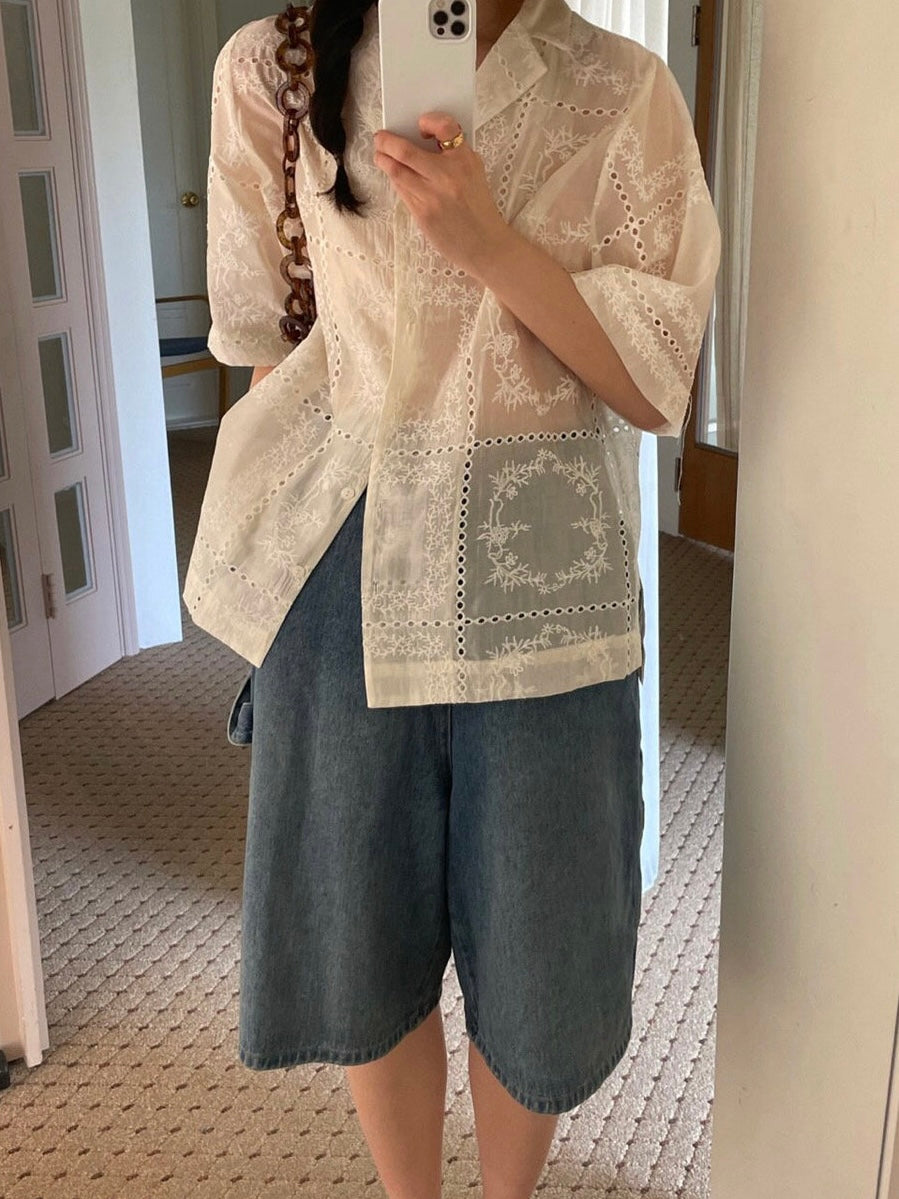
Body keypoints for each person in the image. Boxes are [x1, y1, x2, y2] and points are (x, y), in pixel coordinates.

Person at [183, 0, 721, 1194]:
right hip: (342, 570)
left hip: (546, 580)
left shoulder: (619, 89)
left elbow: (653, 381)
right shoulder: (272, 69)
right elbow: (270, 345)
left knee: (540, 951)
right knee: (359, 942)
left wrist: (487, 242)